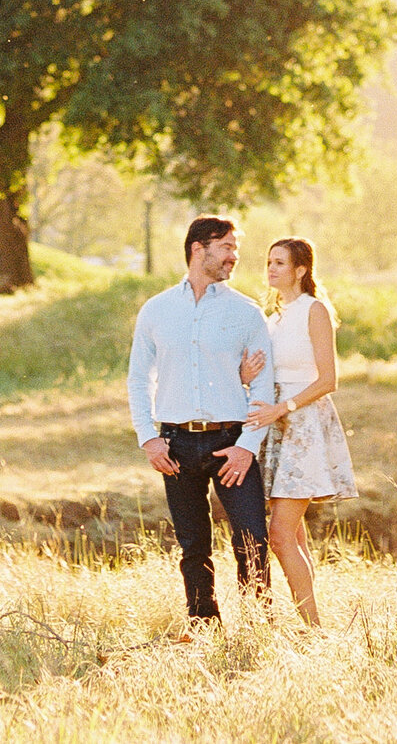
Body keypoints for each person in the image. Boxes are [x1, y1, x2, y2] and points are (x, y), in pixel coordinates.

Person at [128, 215, 275, 629]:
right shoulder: (156, 310)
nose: (234, 257)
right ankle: (204, 626)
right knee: (193, 545)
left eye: (235, 249)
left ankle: (257, 629)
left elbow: (265, 388)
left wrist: (247, 446)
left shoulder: (246, 312)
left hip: (231, 443)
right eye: (227, 247)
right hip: (174, 445)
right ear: (199, 248)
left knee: (252, 541)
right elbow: (139, 379)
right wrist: (148, 439)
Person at [244, 235, 356, 626]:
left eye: (279, 263)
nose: (271, 269)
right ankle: (311, 626)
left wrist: (283, 407)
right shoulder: (271, 318)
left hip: (303, 425)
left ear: (300, 270)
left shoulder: (315, 310)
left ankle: (313, 630)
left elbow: (329, 380)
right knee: (293, 535)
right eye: (268, 262)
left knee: (279, 535)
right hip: (272, 429)